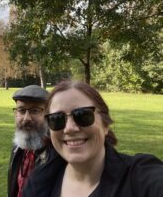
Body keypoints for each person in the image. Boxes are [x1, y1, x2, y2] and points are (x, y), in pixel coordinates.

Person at [22, 80, 163, 197]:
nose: (70, 128)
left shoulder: (139, 176)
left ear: (105, 124)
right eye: (57, 119)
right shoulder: (40, 181)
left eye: (83, 115)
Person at [8, 85, 52, 197]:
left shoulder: (57, 153)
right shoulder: (18, 147)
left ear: (48, 114)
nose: (26, 118)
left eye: (35, 110)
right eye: (21, 110)